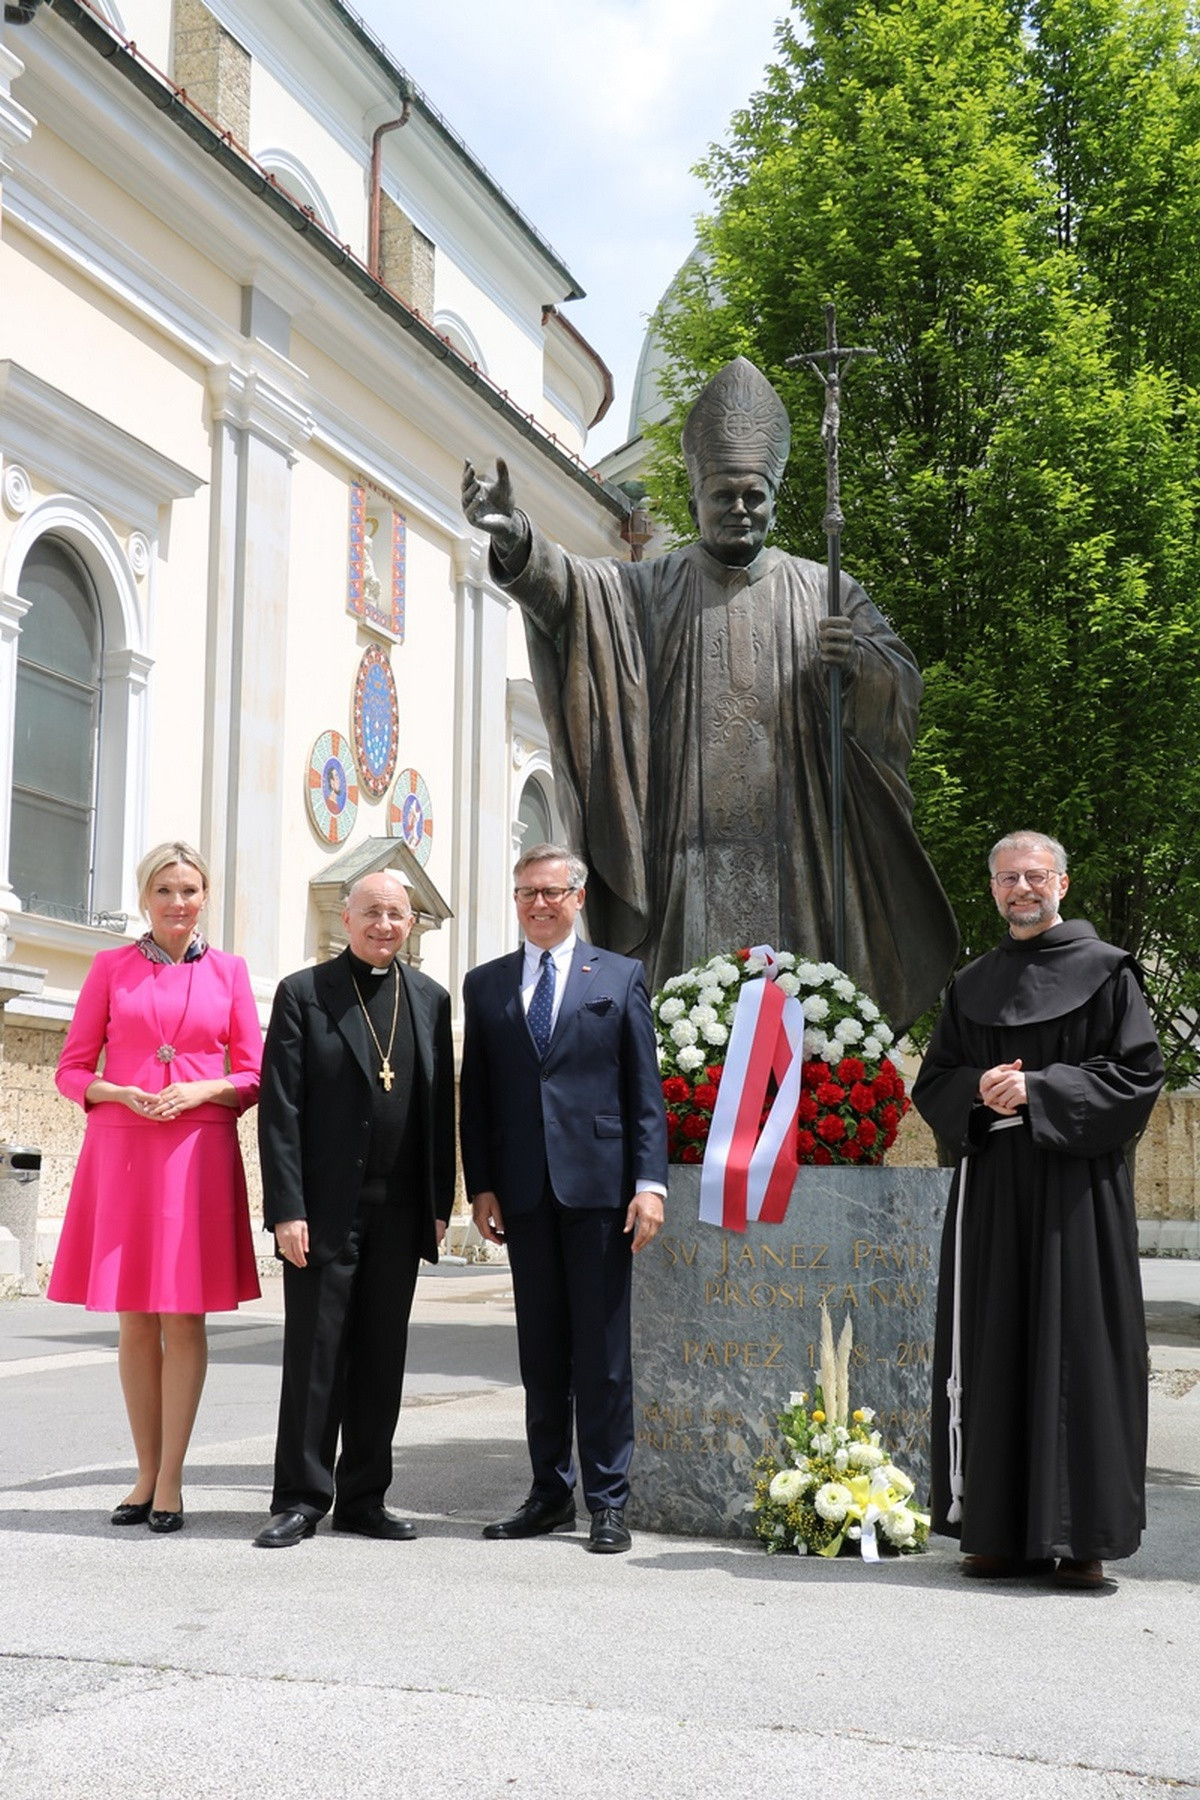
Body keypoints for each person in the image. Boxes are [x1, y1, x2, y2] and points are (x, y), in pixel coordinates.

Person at [462, 357, 957, 1033]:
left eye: (755, 495)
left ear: (775, 499)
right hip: (682, 863)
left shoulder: (824, 590)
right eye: (725, 494)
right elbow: (576, 594)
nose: (741, 508)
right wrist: (519, 541)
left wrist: (858, 665)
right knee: (681, 1034)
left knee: (805, 1025)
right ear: (696, 497)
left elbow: (899, 681)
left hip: (800, 857)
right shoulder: (650, 587)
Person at [912, 831, 1165, 1589]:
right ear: (992, 889)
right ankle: (991, 1530)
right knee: (993, 1341)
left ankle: (1078, 1537)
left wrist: (1041, 1090)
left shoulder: (1109, 972)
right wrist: (981, 1092)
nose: (1020, 889)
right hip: (993, 1188)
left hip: (1075, 1192)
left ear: (1062, 881)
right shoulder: (973, 983)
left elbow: (1137, 1076)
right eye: (1006, 878)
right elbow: (935, 1081)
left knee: (1078, 1345)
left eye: (1033, 875)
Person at [48, 841, 262, 1534]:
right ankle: (142, 1473)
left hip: (197, 1151)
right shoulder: (109, 968)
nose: (178, 902)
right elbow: (73, 1069)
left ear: (205, 899)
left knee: (184, 1315)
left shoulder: (230, 973)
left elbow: (255, 1074)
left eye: (190, 890)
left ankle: (171, 1479)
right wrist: (115, 1091)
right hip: (124, 1148)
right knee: (135, 1319)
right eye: (165, 890)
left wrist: (201, 1086)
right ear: (145, 898)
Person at [460, 844, 668, 1554]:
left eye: (552, 892)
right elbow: (478, 1098)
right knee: (540, 1354)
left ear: (579, 896)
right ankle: (548, 1494)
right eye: (526, 893)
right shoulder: (485, 985)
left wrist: (650, 1184)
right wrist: (480, 1183)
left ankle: (608, 1500)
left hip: (602, 1192)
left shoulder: (618, 974)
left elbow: (644, 1090)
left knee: (603, 1353)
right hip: (521, 1192)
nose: (539, 904)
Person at [254, 869, 455, 1549]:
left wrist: (438, 1202)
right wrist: (286, 1207)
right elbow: (280, 1112)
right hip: (322, 1209)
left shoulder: (429, 998)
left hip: (400, 1211)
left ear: (411, 923)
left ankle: (365, 1498)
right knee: (315, 1356)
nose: (384, 925)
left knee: (380, 1356)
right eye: (371, 913)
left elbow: (438, 1110)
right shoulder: (304, 995)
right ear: (346, 919)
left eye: (397, 915)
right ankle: (301, 1498)